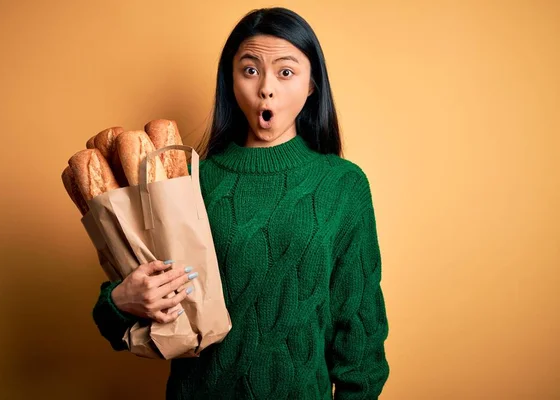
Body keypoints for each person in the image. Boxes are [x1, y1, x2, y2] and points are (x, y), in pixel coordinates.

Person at [92, 7, 389, 399]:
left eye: (286, 72)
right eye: (250, 70)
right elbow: (128, 320)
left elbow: (360, 334)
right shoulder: (188, 183)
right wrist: (119, 300)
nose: (266, 87)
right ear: (230, 81)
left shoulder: (343, 186)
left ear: (313, 83)